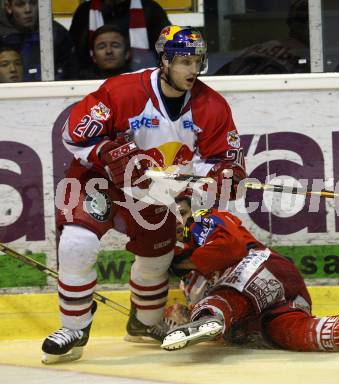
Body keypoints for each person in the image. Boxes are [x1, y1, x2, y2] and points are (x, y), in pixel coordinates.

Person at [41, 25, 246, 364]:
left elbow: (226, 164)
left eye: (198, 61)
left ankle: (144, 323)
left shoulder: (212, 106)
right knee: (77, 242)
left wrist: (226, 174)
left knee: (156, 260)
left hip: (155, 191)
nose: (193, 70)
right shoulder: (122, 91)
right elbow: (74, 135)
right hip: (100, 179)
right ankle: (74, 327)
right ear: (164, 60)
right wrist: (106, 152)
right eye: (184, 61)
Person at [161, 193, 339, 352]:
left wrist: (185, 261)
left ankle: (209, 317)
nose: (179, 222)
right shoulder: (188, 283)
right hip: (273, 304)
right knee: (289, 332)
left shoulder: (203, 221)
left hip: (263, 269)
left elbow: (231, 247)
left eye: (182, 213)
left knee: (224, 298)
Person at [69, 0, 170, 73]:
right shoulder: (84, 12)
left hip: (141, 83)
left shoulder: (151, 10)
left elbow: (169, 53)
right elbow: (75, 58)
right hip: (91, 82)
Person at [0, 0, 77, 81]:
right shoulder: (2, 36)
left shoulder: (57, 34)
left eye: (33, 3)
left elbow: (70, 75)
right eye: (20, 4)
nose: (28, 10)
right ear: (8, 7)